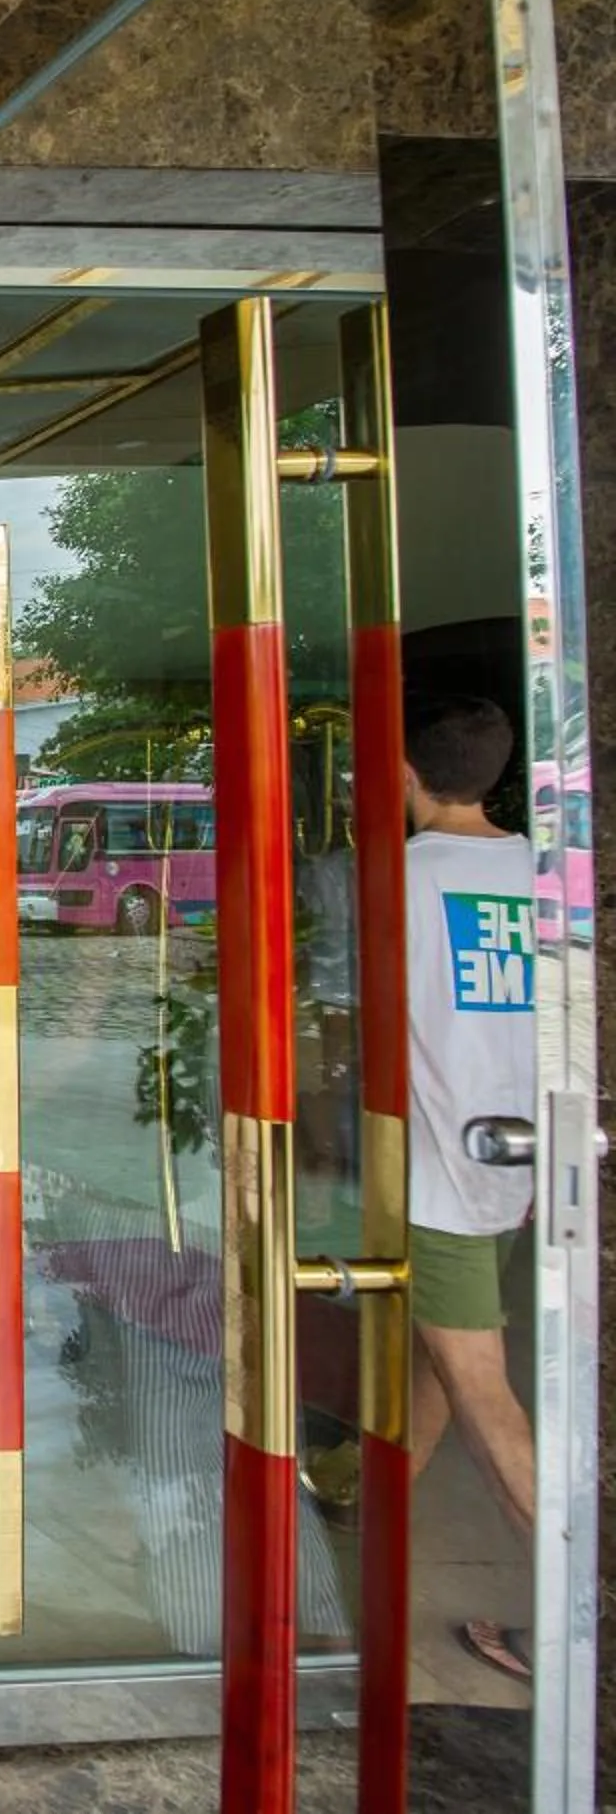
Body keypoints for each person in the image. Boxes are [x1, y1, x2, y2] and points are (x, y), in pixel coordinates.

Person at [396, 696, 541, 1682]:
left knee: (481, 1384)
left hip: (443, 1175)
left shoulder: (404, 881)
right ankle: (362, 1522)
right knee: (436, 1359)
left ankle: (579, 1615)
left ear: (406, 772)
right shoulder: (543, 873)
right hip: (518, 1169)